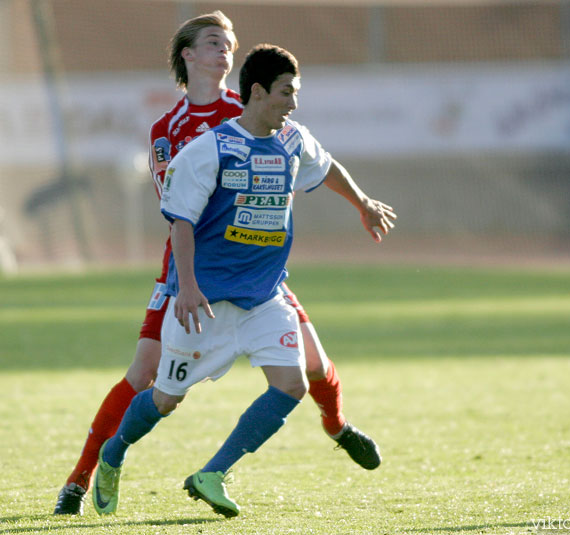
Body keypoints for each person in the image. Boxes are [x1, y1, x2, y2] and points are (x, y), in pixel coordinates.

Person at [53, 11, 394, 516]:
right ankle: (82, 479)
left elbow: (312, 160)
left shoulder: (261, 110)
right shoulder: (172, 131)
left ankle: (335, 426)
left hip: (258, 273)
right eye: (213, 41)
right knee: (149, 378)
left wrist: (361, 201)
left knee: (313, 366)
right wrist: (186, 279)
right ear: (187, 55)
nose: (225, 49)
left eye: (231, 42)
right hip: (193, 270)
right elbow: (179, 213)